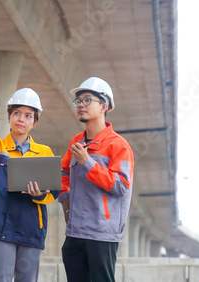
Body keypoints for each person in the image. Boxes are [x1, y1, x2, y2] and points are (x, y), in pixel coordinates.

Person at [0, 84, 59, 282]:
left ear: (34, 122)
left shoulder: (45, 153)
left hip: (31, 229)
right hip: (1, 227)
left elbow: (54, 190)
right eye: (17, 113)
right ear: (9, 117)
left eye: (28, 115)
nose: (21, 119)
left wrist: (40, 195)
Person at [58, 77, 134, 282]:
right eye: (78, 101)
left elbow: (121, 185)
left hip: (102, 234)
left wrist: (88, 163)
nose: (80, 104)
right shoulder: (76, 141)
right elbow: (64, 173)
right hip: (75, 232)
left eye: (87, 99)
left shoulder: (119, 145)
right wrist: (66, 202)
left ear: (104, 106)